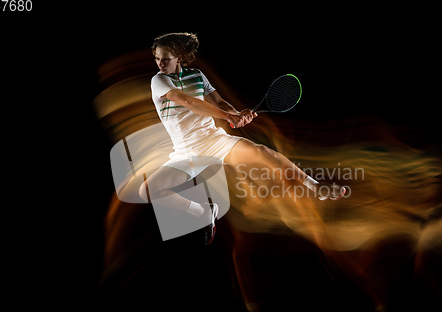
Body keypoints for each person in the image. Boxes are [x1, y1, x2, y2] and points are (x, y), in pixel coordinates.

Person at [140, 32, 346, 245]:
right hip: (186, 151)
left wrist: (236, 114)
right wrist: (228, 116)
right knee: (147, 190)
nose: (160, 63)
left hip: (214, 141)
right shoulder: (159, 80)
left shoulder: (198, 76)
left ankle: (316, 187)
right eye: (157, 58)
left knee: (263, 153)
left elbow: (220, 103)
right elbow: (188, 102)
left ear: (179, 57)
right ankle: (204, 212)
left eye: (165, 58)